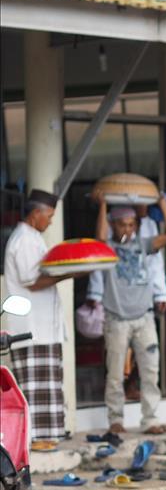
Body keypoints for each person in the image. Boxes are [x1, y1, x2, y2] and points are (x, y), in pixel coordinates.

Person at [91, 194, 166, 435]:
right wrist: (104, 206)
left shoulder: (144, 244)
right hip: (116, 319)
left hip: (144, 317)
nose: (127, 228)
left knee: (151, 371)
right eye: (122, 224)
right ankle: (115, 420)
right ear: (113, 224)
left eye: (131, 224)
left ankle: (150, 420)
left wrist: (161, 205)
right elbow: (99, 237)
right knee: (116, 373)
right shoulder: (107, 248)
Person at [3, 190, 81, 450]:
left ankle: (46, 437)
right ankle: (37, 438)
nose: (50, 221)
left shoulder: (33, 237)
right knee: (36, 387)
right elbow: (32, 282)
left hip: (43, 327)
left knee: (47, 384)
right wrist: (68, 274)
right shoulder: (24, 239)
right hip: (32, 327)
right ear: (36, 213)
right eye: (49, 216)